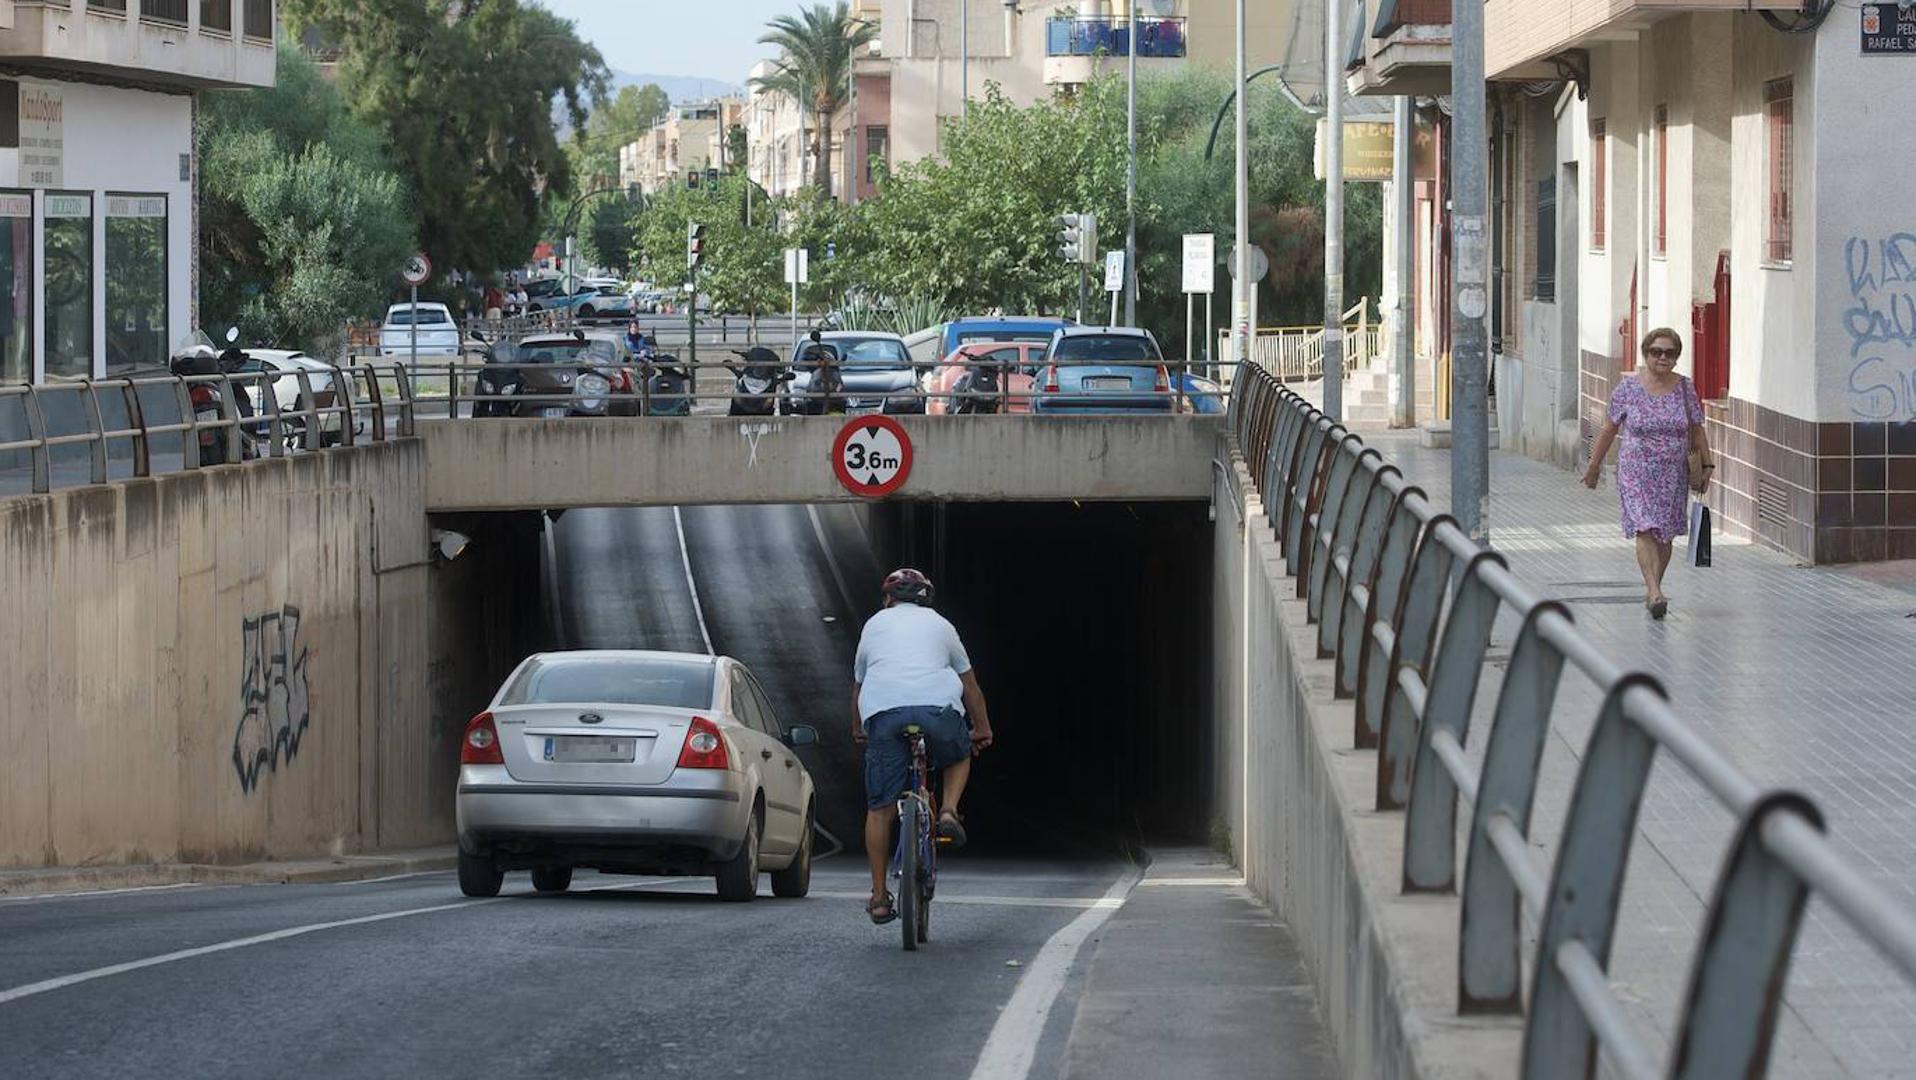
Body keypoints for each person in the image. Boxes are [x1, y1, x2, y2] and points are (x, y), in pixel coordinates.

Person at [852, 568, 994, 925]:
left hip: (885, 713)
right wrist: (982, 728)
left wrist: (858, 729)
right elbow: (970, 685)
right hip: (937, 710)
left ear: (888, 598)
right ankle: (947, 810)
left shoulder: (874, 625)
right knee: (959, 755)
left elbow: (858, 685)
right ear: (926, 598)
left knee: (880, 808)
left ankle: (880, 896)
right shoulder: (942, 625)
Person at [1582, 328, 1714, 619]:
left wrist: (1707, 466)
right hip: (1635, 470)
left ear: (1677, 357)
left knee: (1664, 534)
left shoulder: (1684, 389)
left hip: (1673, 473)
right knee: (1645, 526)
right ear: (1646, 354)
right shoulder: (1628, 389)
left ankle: (1654, 587)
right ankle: (1654, 591)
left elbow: (1697, 430)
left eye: (1669, 353)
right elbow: (1608, 429)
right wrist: (1593, 467)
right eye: (1656, 352)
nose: (1662, 358)